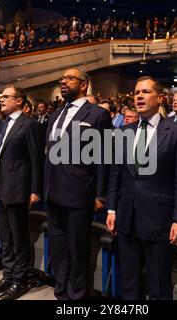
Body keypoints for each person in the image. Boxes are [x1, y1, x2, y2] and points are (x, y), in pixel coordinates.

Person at [106, 76, 177, 300]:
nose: (139, 96)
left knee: (158, 286)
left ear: (160, 98)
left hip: (159, 219)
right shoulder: (124, 132)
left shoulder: (175, 132)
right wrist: (111, 209)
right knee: (129, 284)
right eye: (136, 93)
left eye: (145, 92)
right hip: (126, 218)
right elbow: (116, 173)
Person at [44, 68, 112, 300]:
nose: (63, 82)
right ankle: (61, 292)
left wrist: (100, 195)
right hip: (53, 193)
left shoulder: (97, 115)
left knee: (77, 249)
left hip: (80, 192)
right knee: (59, 248)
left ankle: (77, 297)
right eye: (61, 78)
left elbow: (104, 158)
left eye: (69, 78)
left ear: (84, 84)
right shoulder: (55, 115)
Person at [0, 85, 43, 300]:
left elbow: (37, 160)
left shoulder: (30, 125)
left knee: (19, 237)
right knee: (6, 235)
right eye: (1, 97)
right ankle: (8, 274)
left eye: (6, 97)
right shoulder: (4, 124)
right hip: (0, 187)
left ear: (19, 101)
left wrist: (35, 190)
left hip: (18, 188)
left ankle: (21, 278)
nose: (1, 99)